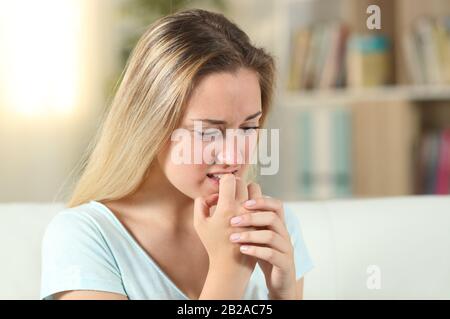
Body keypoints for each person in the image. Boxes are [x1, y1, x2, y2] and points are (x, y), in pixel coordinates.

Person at [40, 8, 314, 300]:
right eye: (209, 132)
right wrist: (228, 271)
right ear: (151, 126)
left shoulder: (271, 227)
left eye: (248, 128)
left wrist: (284, 296)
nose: (234, 156)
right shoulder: (84, 237)